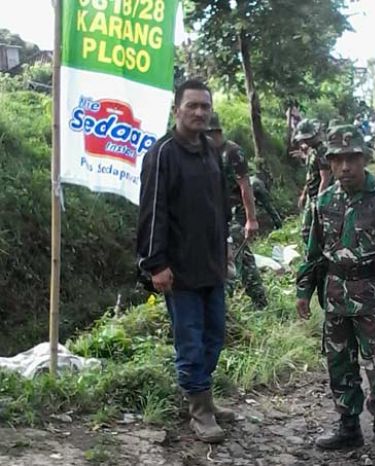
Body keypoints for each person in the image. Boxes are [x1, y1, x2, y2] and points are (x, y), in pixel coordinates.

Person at [296, 125, 375, 459]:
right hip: (335, 296)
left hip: (373, 296)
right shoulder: (324, 201)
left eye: (352, 158)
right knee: (339, 363)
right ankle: (348, 426)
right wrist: (303, 290)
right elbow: (313, 251)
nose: (345, 166)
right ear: (329, 163)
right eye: (338, 159)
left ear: (365, 159)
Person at [137, 79, 233, 443]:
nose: (198, 112)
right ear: (176, 109)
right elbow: (152, 211)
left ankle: (202, 395)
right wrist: (155, 263)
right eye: (191, 105)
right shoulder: (162, 154)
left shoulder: (211, 150)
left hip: (211, 264)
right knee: (190, 341)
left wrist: (224, 247)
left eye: (204, 107)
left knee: (214, 336)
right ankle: (200, 410)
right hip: (179, 271)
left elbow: (220, 205)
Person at [206, 113, 268, 309]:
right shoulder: (206, 152)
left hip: (236, 214)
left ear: (214, 132)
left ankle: (250, 302)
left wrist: (251, 219)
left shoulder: (232, 152)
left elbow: (245, 186)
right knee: (231, 258)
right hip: (216, 214)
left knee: (236, 258)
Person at [294, 119, 331, 246]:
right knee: (306, 231)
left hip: (320, 196)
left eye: (307, 138)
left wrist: (320, 201)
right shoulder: (311, 151)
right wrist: (304, 194)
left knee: (316, 230)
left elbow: (325, 178)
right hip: (312, 194)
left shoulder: (322, 151)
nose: (304, 141)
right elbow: (311, 176)